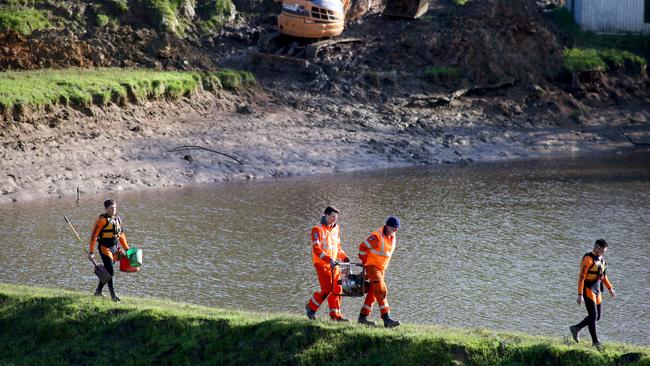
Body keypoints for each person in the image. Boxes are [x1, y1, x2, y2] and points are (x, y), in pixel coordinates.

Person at [305, 206, 351, 322]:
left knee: (338, 289)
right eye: (332, 217)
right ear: (326, 215)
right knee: (327, 289)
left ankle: (336, 316)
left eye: (336, 217)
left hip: (334, 264)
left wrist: (344, 257)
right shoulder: (317, 229)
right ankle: (311, 307)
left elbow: (338, 247)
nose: (334, 219)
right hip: (322, 264)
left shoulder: (336, 229)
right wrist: (328, 259)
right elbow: (317, 249)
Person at [569, 239, 616, 349]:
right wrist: (580, 295)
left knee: (597, 316)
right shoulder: (588, 259)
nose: (604, 253)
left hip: (597, 290)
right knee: (593, 315)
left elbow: (603, 276)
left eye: (605, 251)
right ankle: (595, 342)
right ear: (597, 247)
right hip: (588, 289)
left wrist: (610, 288)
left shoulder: (602, 260)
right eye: (603, 251)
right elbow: (581, 278)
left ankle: (576, 328)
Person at [357, 216, 401, 327]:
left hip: (381, 269)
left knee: (373, 294)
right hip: (372, 267)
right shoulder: (377, 237)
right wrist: (365, 263)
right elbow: (362, 248)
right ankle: (386, 319)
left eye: (397, 228)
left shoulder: (392, 236)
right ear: (387, 226)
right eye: (394, 227)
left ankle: (362, 318)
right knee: (381, 290)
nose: (396, 230)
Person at [88, 199, 130, 302]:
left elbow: (121, 236)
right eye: (111, 208)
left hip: (115, 248)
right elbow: (94, 236)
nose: (113, 210)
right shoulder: (101, 220)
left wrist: (127, 249)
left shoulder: (118, 219)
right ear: (106, 208)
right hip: (104, 248)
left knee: (107, 271)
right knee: (110, 270)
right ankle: (113, 295)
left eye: (115, 208)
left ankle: (98, 291)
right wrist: (92, 252)